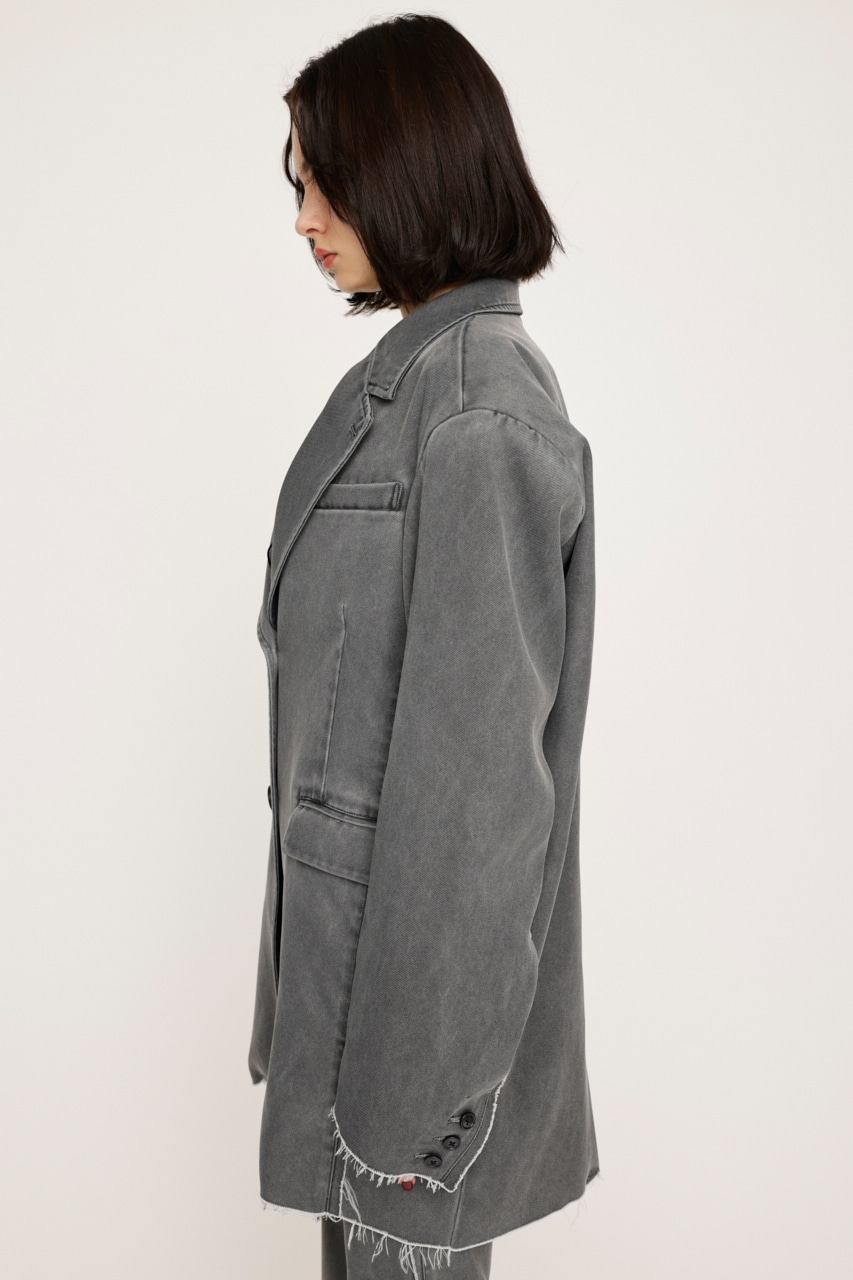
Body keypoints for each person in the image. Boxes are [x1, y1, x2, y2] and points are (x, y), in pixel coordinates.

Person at [248, 15, 600, 1278]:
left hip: (407, 1069)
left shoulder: (473, 411)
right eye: (297, 183)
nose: (304, 218)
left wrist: (410, 1121)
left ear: (413, 167)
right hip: (369, 1019)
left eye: (327, 180)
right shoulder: (421, 383)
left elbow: (479, 804)